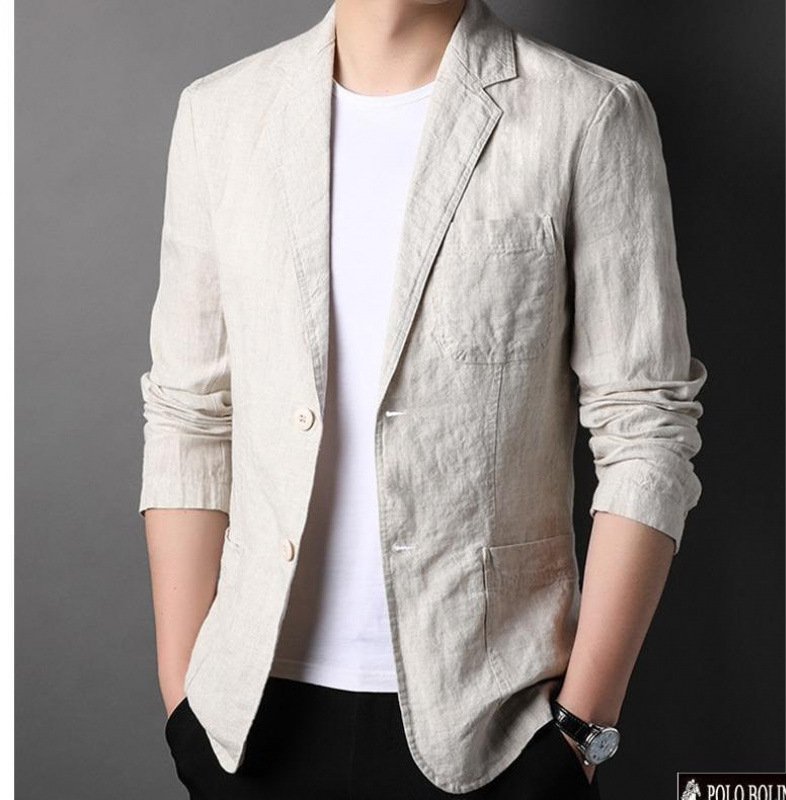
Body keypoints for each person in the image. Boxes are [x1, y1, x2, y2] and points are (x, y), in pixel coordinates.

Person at [138, 0, 708, 797]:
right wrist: (184, 701)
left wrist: (580, 732)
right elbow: (190, 413)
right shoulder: (221, 115)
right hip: (249, 721)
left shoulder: (588, 113)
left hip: (497, 725)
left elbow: (646, 425)